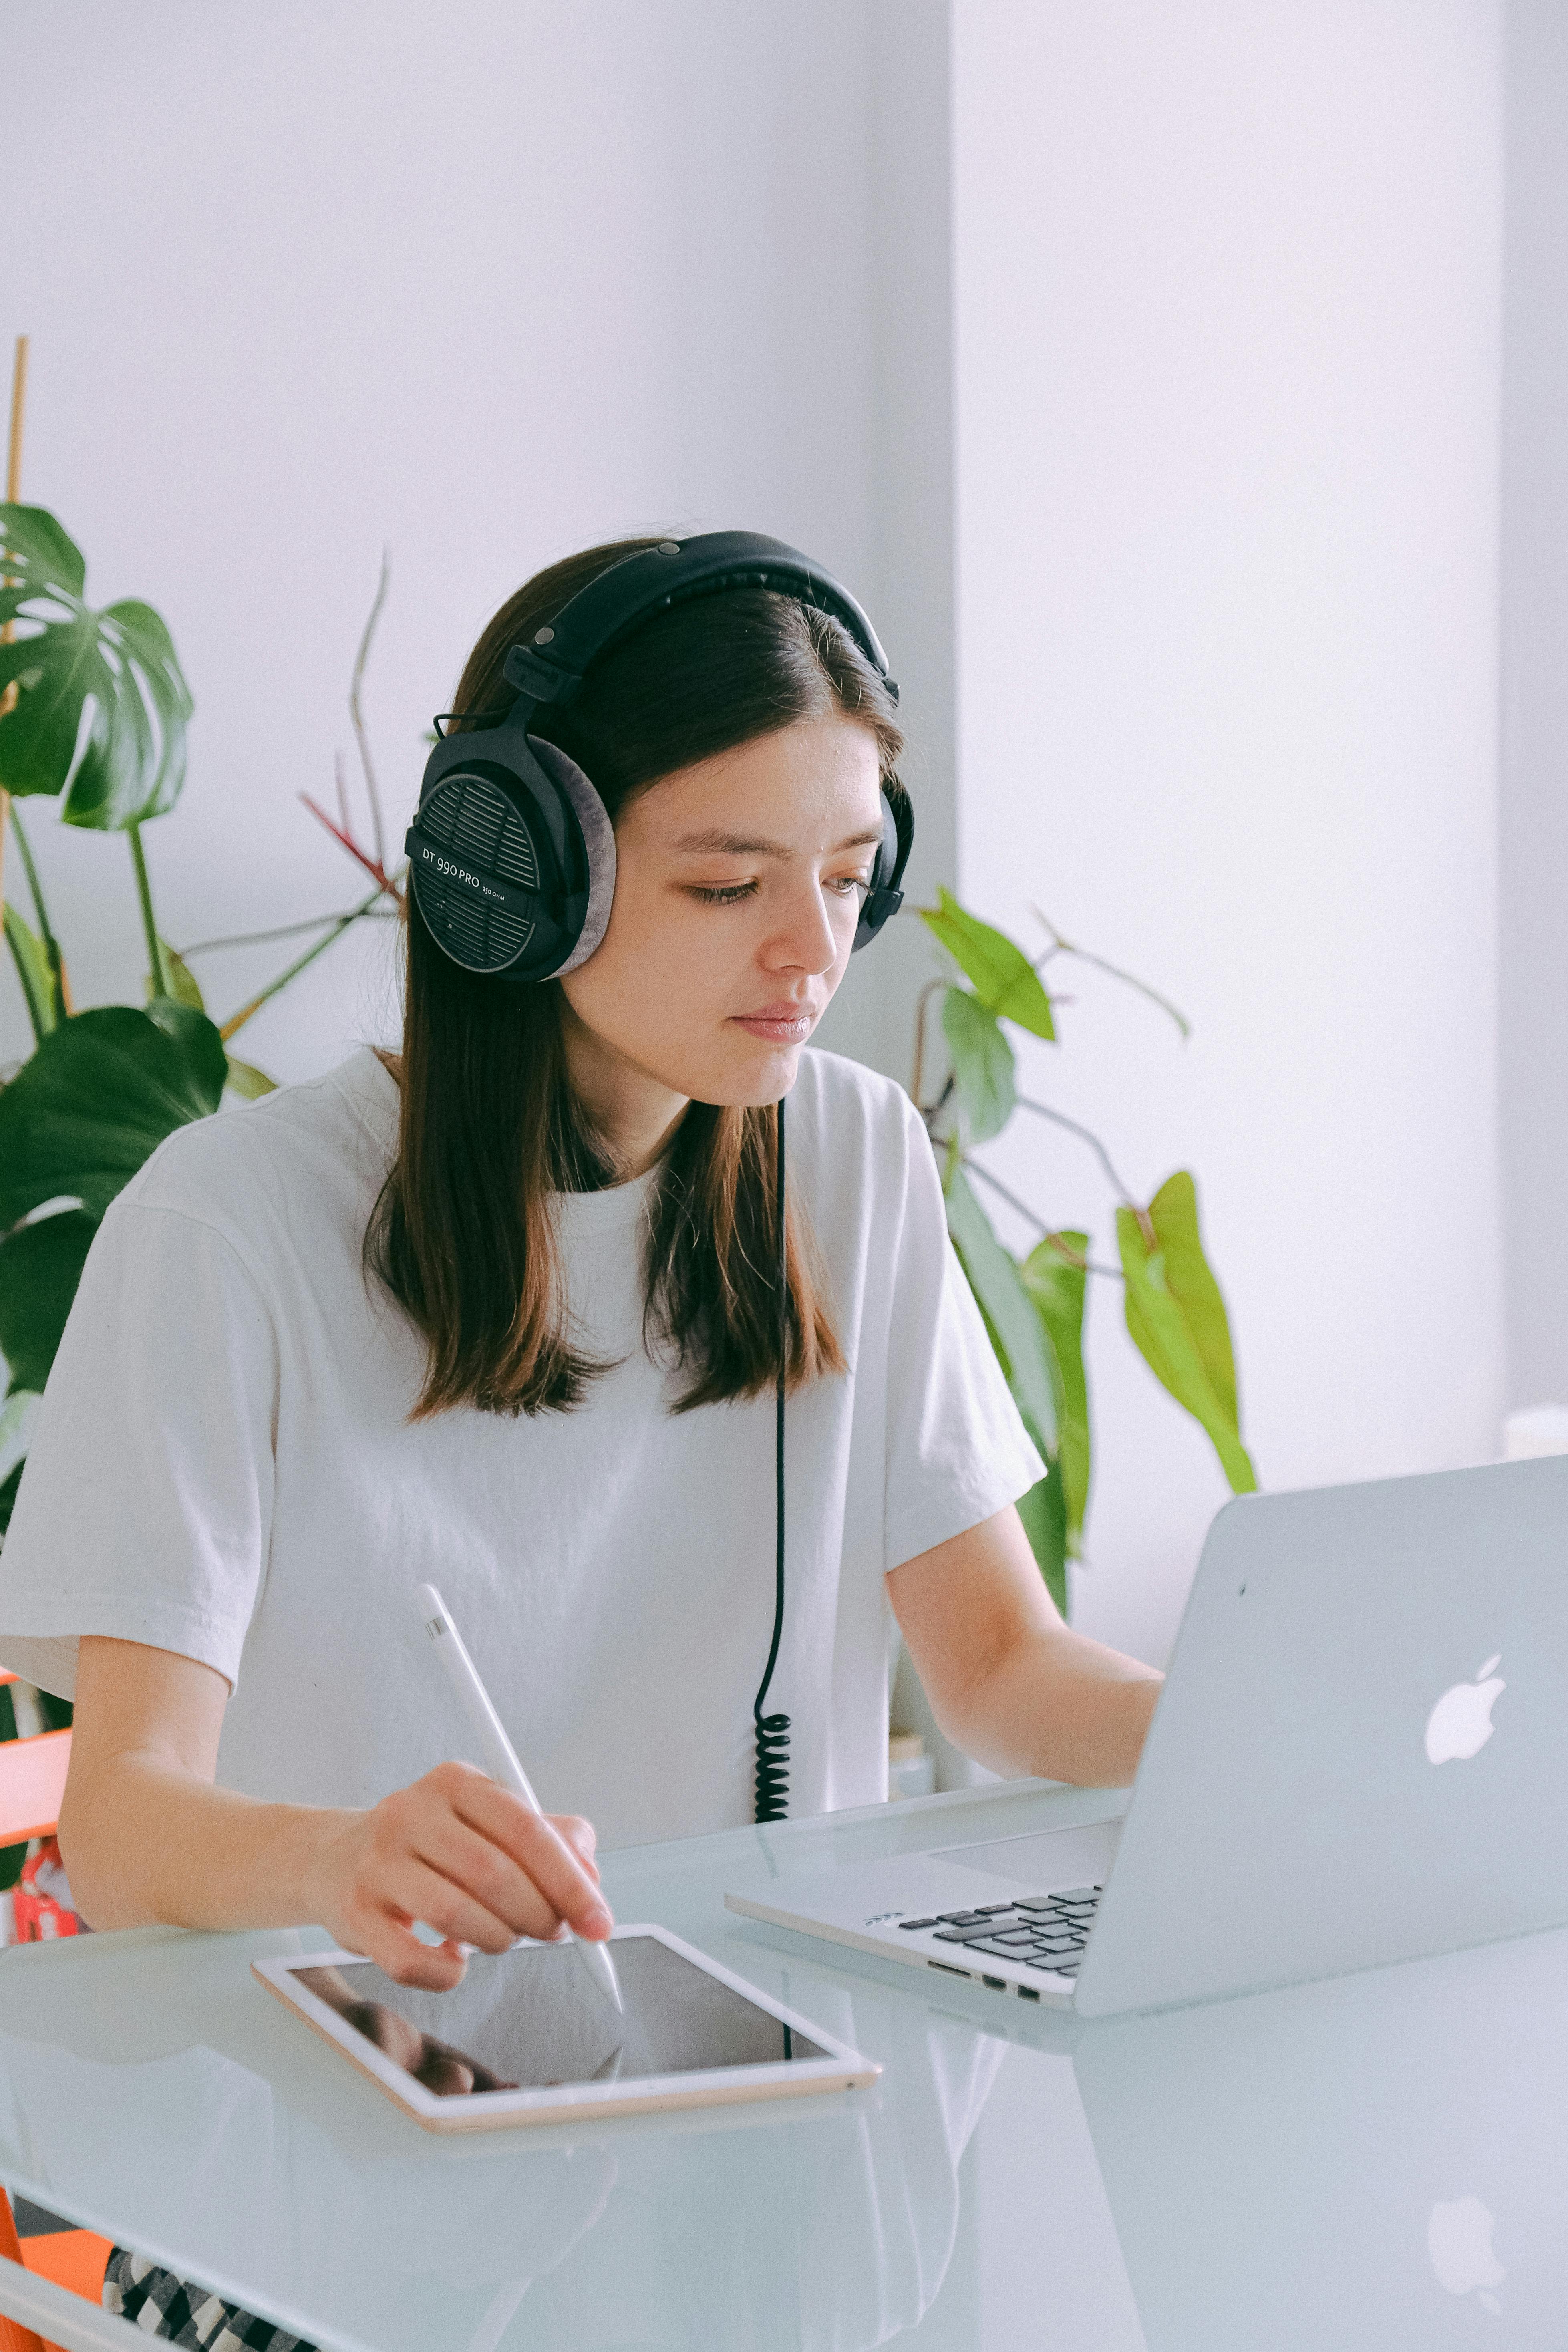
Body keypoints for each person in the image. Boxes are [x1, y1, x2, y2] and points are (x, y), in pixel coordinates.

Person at [0, 534, 1161, 1998]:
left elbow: (998, 1669)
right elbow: (117, 1824)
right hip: (339, 2112)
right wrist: (331, 1860)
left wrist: (1238, 1733)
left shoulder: (854, 1157)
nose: (812, 951)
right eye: (729, 886)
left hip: (777, 2106)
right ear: (518, 878)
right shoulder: (229, 1225)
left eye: (850, 877)